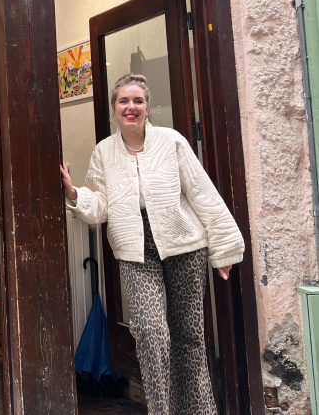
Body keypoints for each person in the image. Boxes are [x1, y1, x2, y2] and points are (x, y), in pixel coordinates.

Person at [59, 73, 244, 415]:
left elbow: (202, 193)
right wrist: (74, 194)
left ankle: (200, 410)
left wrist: (224, 250)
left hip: (183, 245)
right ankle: (163, 410)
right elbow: (100, 206)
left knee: (189, 335)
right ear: (114, 109)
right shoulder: (104, 152)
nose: (131, 107)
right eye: (123, 101)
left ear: (147, 107)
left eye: (138, 101)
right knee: (150, 330)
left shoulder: (171, 142)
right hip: (135, 249)